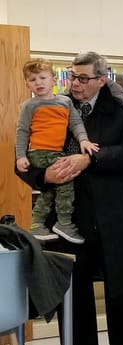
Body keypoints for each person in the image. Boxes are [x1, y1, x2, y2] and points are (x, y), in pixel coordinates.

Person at [15, 51, 123, 345]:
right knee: (72, 297)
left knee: (120, 295)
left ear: (102, 79)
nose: (75, 84)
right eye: (72, 77)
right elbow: (28, 154)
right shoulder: (51, 105)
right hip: (68, 221)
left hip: (111, 216)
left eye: (83, 78)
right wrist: (41, 175)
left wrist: (88, 159)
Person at [15, 58, 98, 244]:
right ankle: (64, 223)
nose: (38, 83)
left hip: (56, 152)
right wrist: (20, 156)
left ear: (54, 80)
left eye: (42, 78)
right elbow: (22, 131)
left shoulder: (65, 102)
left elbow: (76, 123)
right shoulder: (29, 105)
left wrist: (84, 140)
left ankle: (37, 223)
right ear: (27, 83)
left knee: (50, 190)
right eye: (33, 80)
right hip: (38, 152)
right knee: (66, 183)